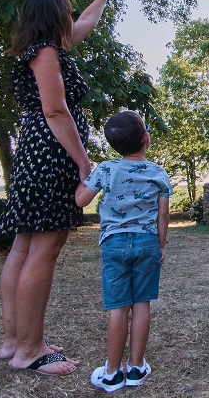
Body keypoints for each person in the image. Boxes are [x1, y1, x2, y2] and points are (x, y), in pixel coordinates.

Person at [0, 0, 126, 375]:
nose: (72, 18)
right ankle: (30, 350)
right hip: (52, 155)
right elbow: (55, 110)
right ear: (54, 19)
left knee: (24, 245)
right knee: (43, 249)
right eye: (66, 12)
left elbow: (85, 23)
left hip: (35, 152)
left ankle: (14, 340)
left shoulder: (42, 48)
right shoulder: (47, 53)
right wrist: (84, 162)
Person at [74, 110, 171, 393]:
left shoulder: (105, 169)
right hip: (147, 244)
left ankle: (113, 373)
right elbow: (162, 216)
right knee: (141, 304)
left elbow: (81, 200)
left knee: (118, 308)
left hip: (114, 244)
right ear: (146, 139)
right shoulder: (158, 173)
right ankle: (137, 367)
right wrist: (160, 245)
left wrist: (85, 175)